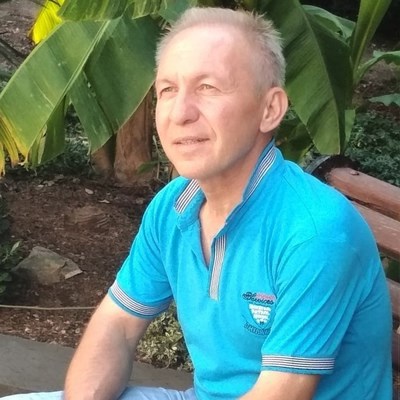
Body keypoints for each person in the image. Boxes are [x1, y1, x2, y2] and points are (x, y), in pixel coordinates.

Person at [3, 6, 392, 400]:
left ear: (270, 109)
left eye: (208, 87)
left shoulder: (314, 232)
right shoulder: (174, 207)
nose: (180, 113)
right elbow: (116, 326)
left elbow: (281, 393)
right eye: (167, 90)